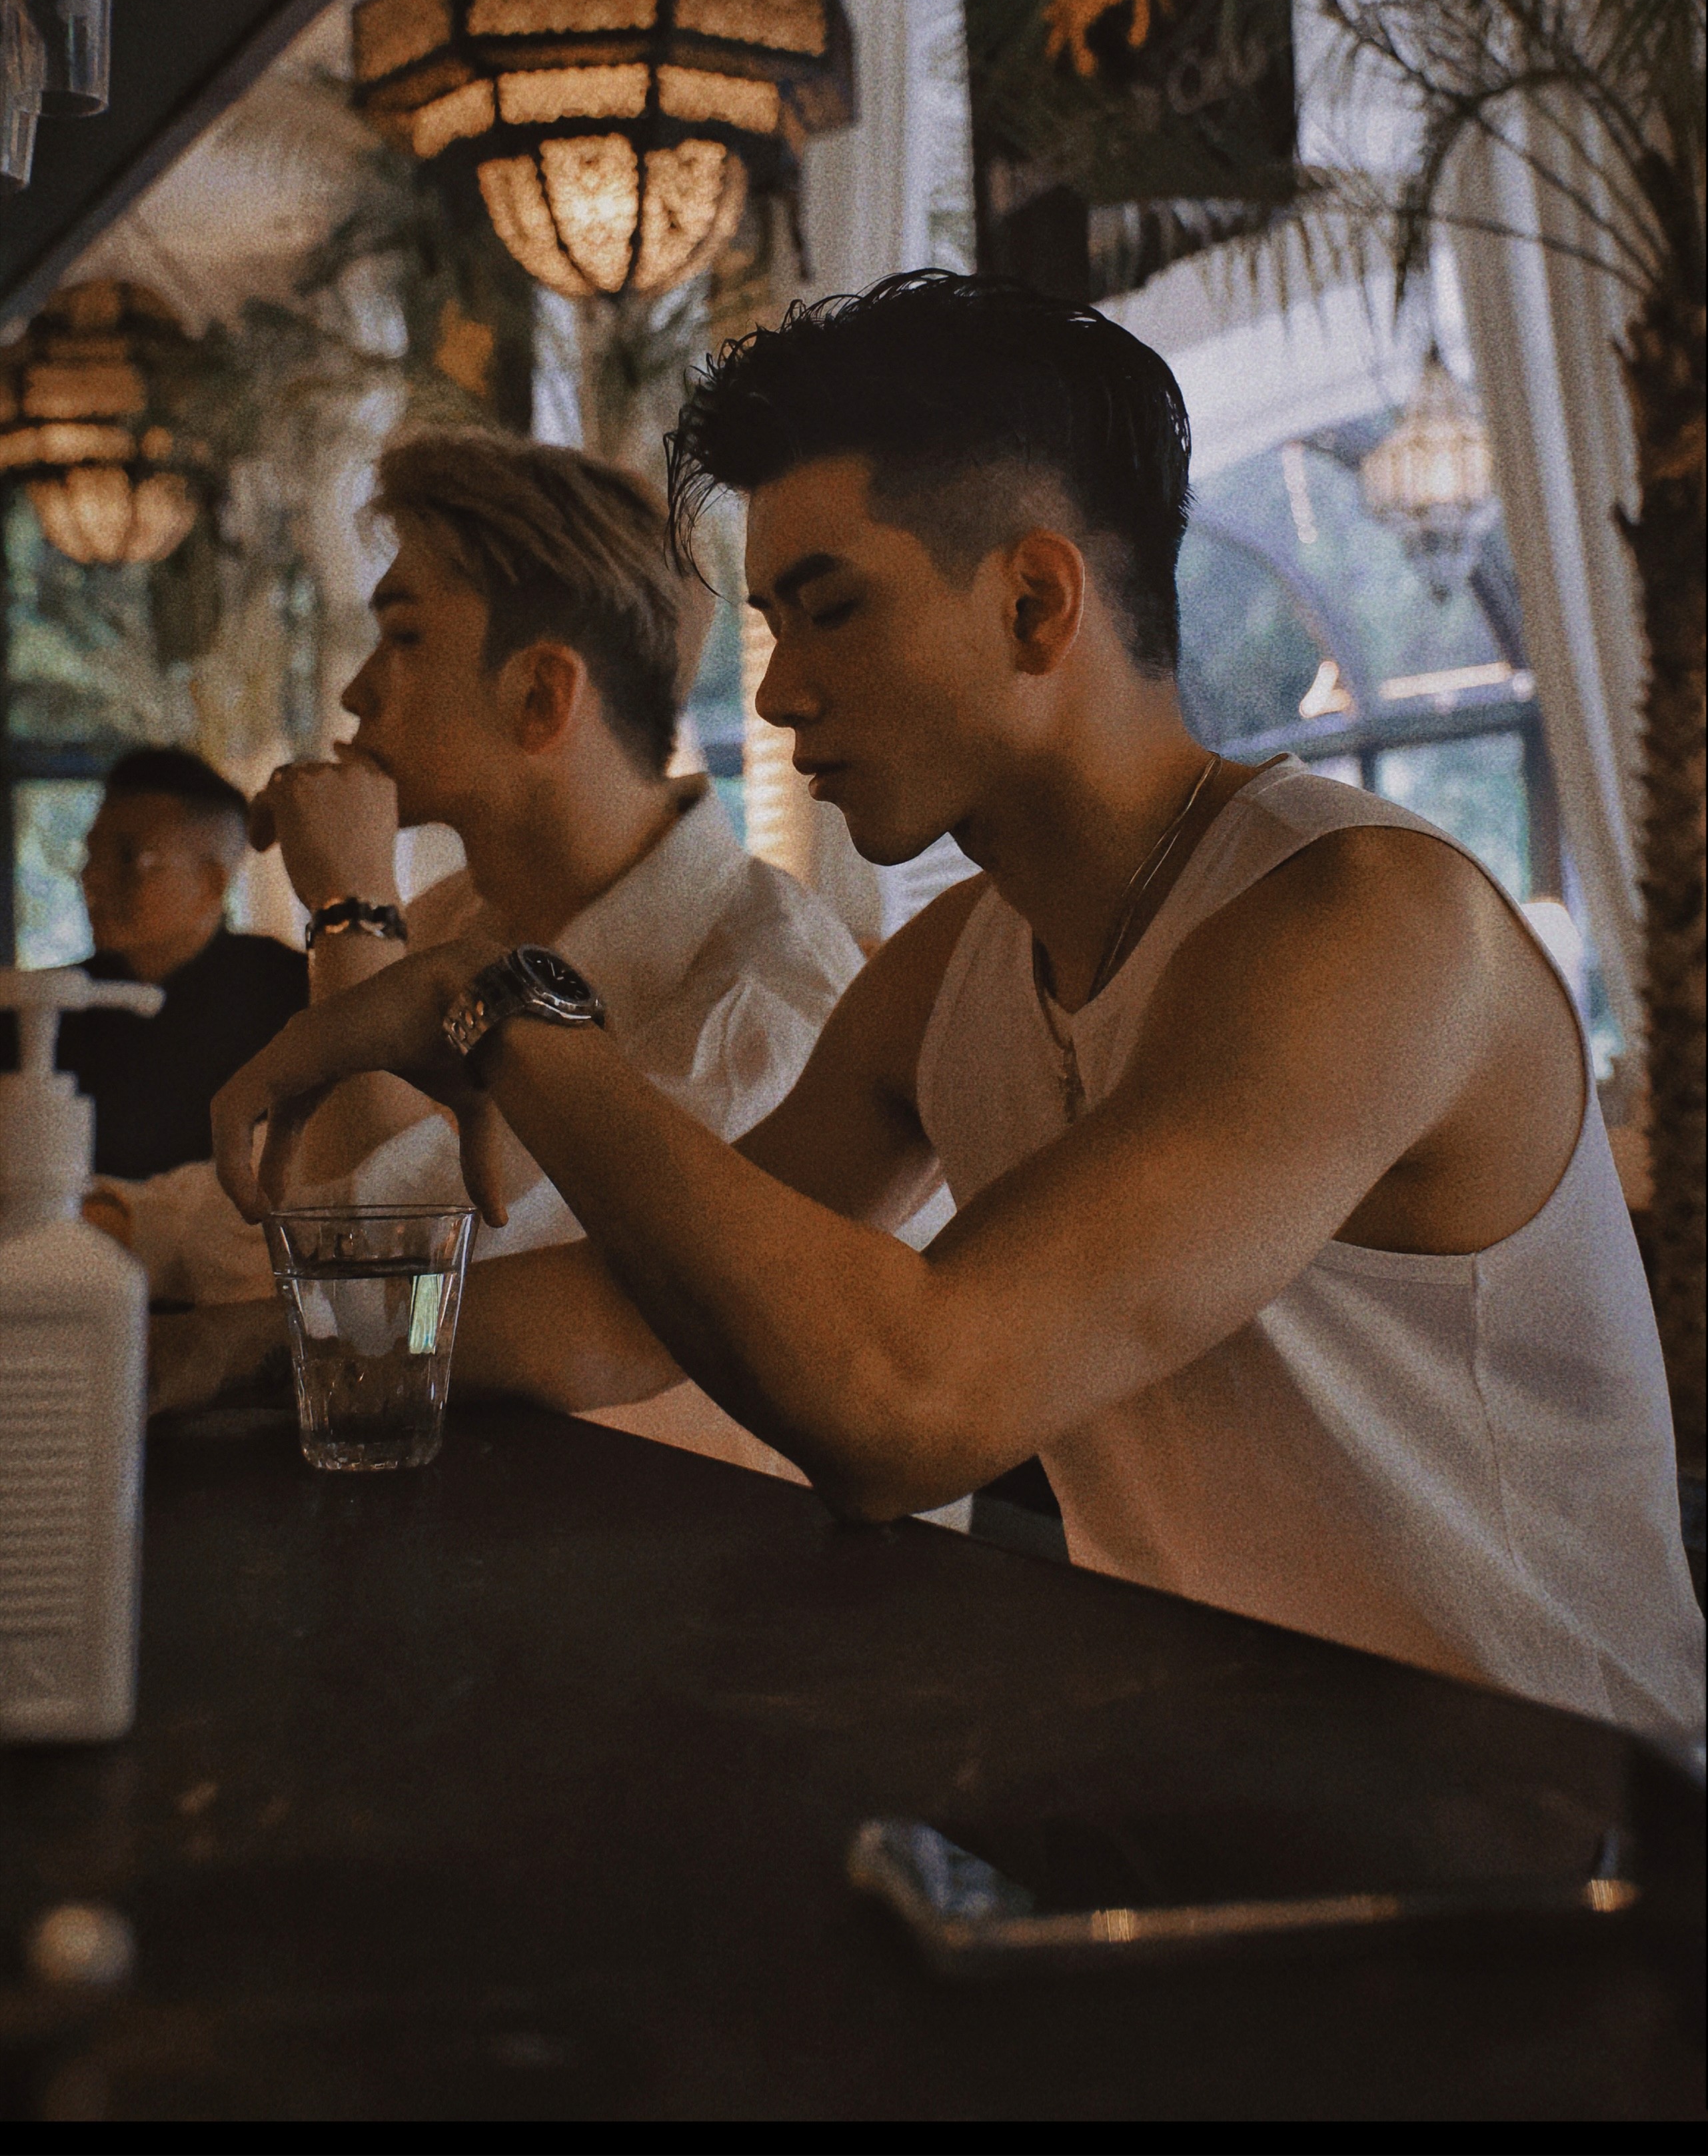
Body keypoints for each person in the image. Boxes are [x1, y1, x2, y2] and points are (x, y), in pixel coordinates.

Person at [214, 272, 1703, 1738]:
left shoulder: (1367, 920)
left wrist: (502, 1004)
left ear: (1036, 599)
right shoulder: (952, 970)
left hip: (1565, 1852)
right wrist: (229, 1349)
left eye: (829, 610)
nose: (781, 692)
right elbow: (618, 1316)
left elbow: (907, 1405)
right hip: (1218, 1805)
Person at [169, 429, 864, 1478]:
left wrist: (352, 909)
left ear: (541, 696)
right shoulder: (462, 922)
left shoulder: (765, 1000)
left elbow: (374, 1307)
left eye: (402, 637)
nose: (356, 692)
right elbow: (272, 1223)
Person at [0, 746, 306, 1181]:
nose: (94, 877)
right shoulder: (49, 1008)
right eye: (92, 855)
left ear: (211, 882)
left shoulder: (288, 996)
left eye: (128, 858)